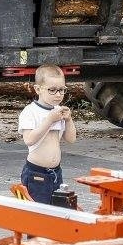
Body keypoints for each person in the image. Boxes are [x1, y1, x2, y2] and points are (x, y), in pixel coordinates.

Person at [18, 64, 76, 204]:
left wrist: (68, 120)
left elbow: (71, 139)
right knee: (38, 213)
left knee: (57, 210)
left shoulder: (58, 110)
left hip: (56, 172)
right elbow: (29, 140)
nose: (58, 94)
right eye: (52, 90)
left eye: (62, 90)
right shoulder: (30, 111)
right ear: (38, 89)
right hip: (36, 173)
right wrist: (49, 120)